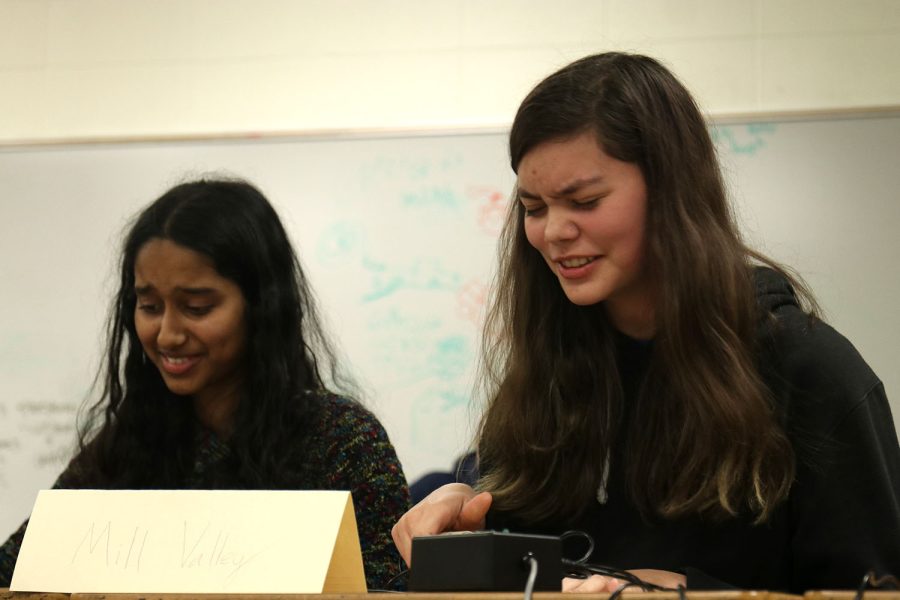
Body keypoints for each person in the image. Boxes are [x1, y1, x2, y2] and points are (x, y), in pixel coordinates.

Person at [391, 52, 900, 593]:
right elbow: (531, 568)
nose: (553, 231)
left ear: (671, 192)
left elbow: (875, 587)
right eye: (534, 207)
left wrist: (690, 592)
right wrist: (476, 518)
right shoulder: (546, 377)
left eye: (584, 201)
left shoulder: (810, 372)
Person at [0, 178, 409, 590]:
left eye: (197, 307)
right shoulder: (125, 446)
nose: (167, 335)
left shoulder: (342, 441)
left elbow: (393, 590)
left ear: (262, 307)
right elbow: (15, 572)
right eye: (149, 306)